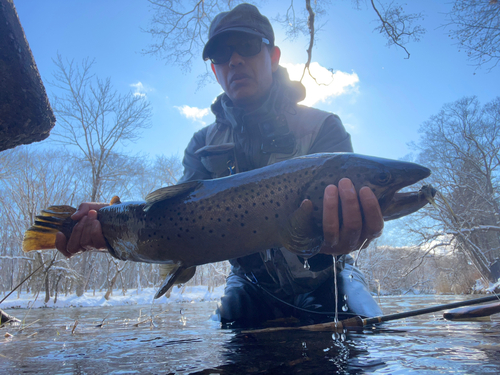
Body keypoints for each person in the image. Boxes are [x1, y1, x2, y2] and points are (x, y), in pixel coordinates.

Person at [55, 4, 384, 327]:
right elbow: (170, 221)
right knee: (224, 338)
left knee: (372, 331)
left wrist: (349, 240)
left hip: (328, 275)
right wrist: (112, 226)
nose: (235, 60)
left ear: (274, 56)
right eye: (222, 55)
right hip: (249, 284)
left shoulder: (324, 127)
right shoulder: (202, 144)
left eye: (247, 46)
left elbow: (353, 220)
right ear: (215, 71)